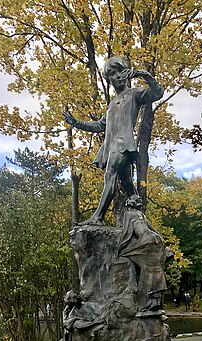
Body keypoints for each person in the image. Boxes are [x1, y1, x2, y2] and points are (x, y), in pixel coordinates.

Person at [63, 56, 163, 225]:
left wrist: (142, 74)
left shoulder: (134, 94)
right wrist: (76, 123)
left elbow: (157, 93)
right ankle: (136, 207)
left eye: (120, 72)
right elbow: (98, 126)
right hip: (112, 147)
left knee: (110, 175)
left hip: (123, 145)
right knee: (127, 185)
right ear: (109, 79)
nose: (117, 76)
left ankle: (98, 217)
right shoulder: (111, 105)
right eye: (112, 74)